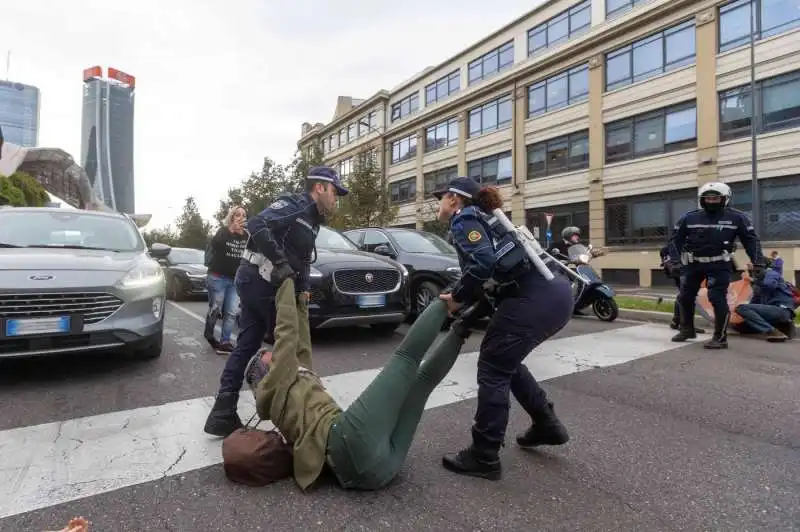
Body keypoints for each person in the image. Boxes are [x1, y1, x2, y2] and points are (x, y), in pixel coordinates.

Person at [247, 277, 477, 491]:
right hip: (344, 439)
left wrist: (300, 297)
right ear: (263, 371)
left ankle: (466, 325)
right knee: (406, 358)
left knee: (421, 384)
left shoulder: (290, 381)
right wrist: (284, 282)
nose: (273, 353)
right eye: (267, 355)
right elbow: (286, 335)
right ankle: (450, 299)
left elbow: (301, 344)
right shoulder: (273, 383)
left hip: (375, 473)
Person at [432, 176, 574, 480]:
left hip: (533, 299)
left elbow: (483, 264)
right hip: (556, 294)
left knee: (493, 367)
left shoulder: (464, 219)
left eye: (440, 198)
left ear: (454, 200)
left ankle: (484, 455)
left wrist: (457, 298)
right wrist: (466, 313)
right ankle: (547, 425)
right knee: (506, 361)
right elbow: (494, 279)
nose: (438, 204)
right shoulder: (489, 221)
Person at [203, 166, 348, 437]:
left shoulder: (313, 219)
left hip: (259, 282)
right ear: (320, 187)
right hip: (258, 280)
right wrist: (280, 262)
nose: (336, 199)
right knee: (289, 346)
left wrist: (304, 291)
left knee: (247, 343)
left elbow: (303, 259)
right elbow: (257, 223)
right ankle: (291, 414)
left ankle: (223, 411)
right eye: (334, 192)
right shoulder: (296, 204)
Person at [668, 182, 766, 349]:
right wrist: (672, 261)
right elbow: (674, 240)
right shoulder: (688, 217)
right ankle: (686, 330)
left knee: (717, 298)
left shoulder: (737, 217)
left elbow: (751, 240)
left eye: (715, 198)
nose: (711, 201)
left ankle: (720, 338)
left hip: (719, 264)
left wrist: (759, 262)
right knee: (685, 296)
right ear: (701, 199)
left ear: (725, 199)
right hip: (693, 263)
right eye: (707, 198)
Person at [204, 205, 248, 354]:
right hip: (217, 277)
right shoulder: (223, 232)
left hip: (235, 280)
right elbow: (215, 244)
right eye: (237, 215)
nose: (241, 217)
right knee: (215, 310)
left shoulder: (247, 236)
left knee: (231, 312)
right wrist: (231, 230)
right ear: (232, 217)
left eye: (243, 215)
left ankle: (225, 342)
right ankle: (209, 334)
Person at [734, 261, 796, 342]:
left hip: (781, 310)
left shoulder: (771, 274)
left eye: (756, 270)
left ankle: (773, 332)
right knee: (741, 322)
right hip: (772, 312)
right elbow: (753, 304)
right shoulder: (759, 285)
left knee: (741, 308)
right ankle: (780, 327)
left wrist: (752, 280)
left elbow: (769, 285)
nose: (754, 273)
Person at [659, 244, 705, 334]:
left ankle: (677, 321)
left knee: (683, 294)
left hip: (676, 268)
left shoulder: (676, 238)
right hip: (681, 268)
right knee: (686, 295)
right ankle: (683, 324)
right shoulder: (683, 237)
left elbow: (664, 251)